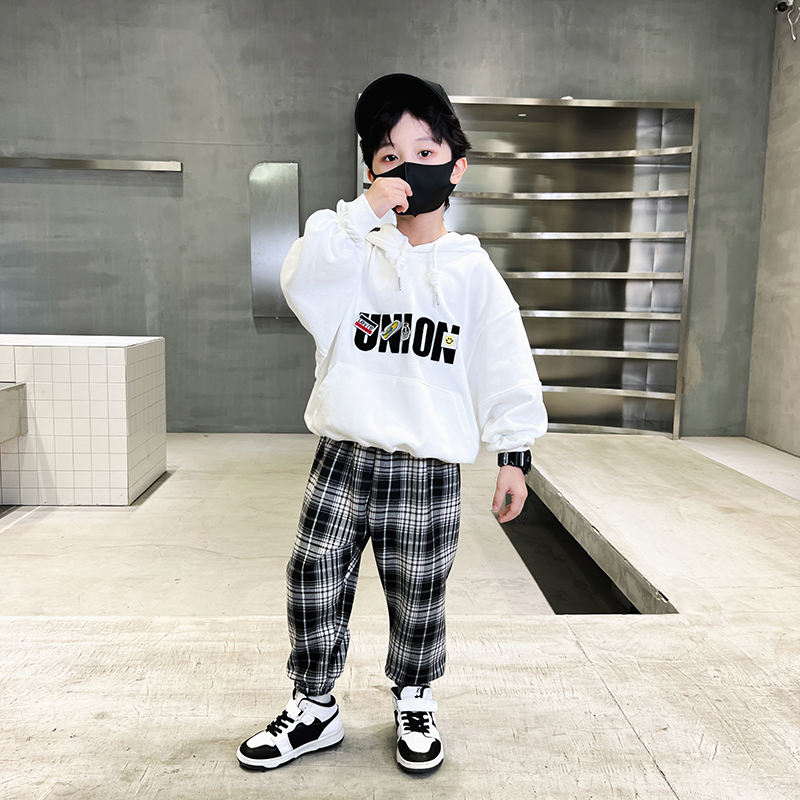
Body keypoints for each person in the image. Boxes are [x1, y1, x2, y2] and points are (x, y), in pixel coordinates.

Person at [237, 73, 548, 775]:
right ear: (371, 171)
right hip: (343, 453)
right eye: (388, 157)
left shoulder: (472, 273)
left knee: (418, 591)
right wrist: (363, 212)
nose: (407, 169)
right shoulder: (354, 254)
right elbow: (300, 278)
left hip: (427, 464)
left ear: (456, 167)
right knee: (312, 576)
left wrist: (514, 454)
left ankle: (414, 698)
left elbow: (504, 362)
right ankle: (314, 707)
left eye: (425, 153)